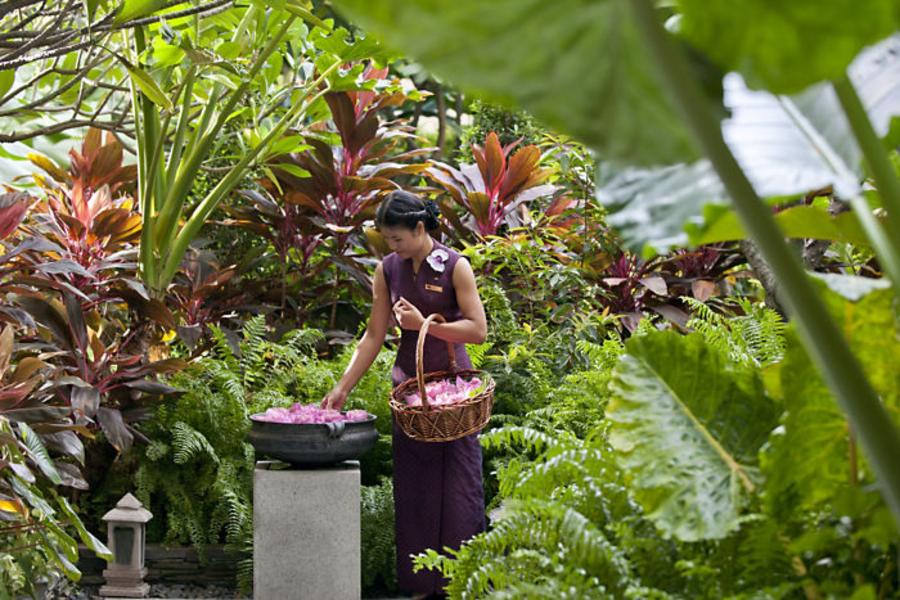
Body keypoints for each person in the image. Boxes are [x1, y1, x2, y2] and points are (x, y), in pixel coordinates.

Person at [321, 190, 488, 599]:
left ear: (419, 228)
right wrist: (342, 386)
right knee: (415, 489)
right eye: (386, 240)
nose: (391, 247)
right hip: (408, 393)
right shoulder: (388, 270)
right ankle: (419, 584)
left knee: (460, 487)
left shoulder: (455, 266)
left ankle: (460, 583)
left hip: (452, 394)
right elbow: (374, 335)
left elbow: (478, 330)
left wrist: (424, 325)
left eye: (397, 238)